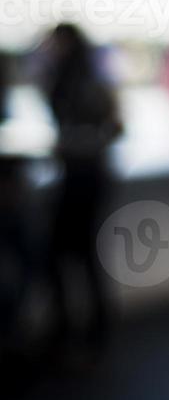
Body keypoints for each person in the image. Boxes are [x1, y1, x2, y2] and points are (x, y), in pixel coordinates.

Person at [40, 24, 120, 354]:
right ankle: (81, 331)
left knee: (79, 254)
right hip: (81, 176)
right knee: (74, 254)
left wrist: (74, 144)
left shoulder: (81, 84)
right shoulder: (78, 79)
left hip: (85, 178)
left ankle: (86, 334)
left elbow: (113, 128)